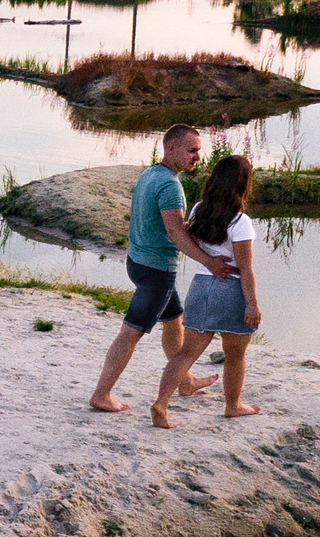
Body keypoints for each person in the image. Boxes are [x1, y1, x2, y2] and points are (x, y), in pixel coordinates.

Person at [87, 124, 237, 414]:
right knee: (130, 333)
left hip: (138, 262)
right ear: (171, 148)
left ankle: (186, 381)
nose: (197, 157)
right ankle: (101, 394)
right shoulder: (170, 186)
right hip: (156, 272)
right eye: (192, 150)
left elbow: (171, 228)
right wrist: (210, 262)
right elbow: (176, 234)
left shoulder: (150, 174)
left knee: (173, 320)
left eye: (198, 151)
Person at [150, 154, 263, 429]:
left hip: (200, 286)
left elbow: (193, 242)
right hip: (231, 290)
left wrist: (210, 262)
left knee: (186, 353)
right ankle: (233, 405)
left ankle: (161, 403)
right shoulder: (240, 222)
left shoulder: (199, 209)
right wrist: (252, 304)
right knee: (235, 355)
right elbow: (245, 268)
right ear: (243, 185)